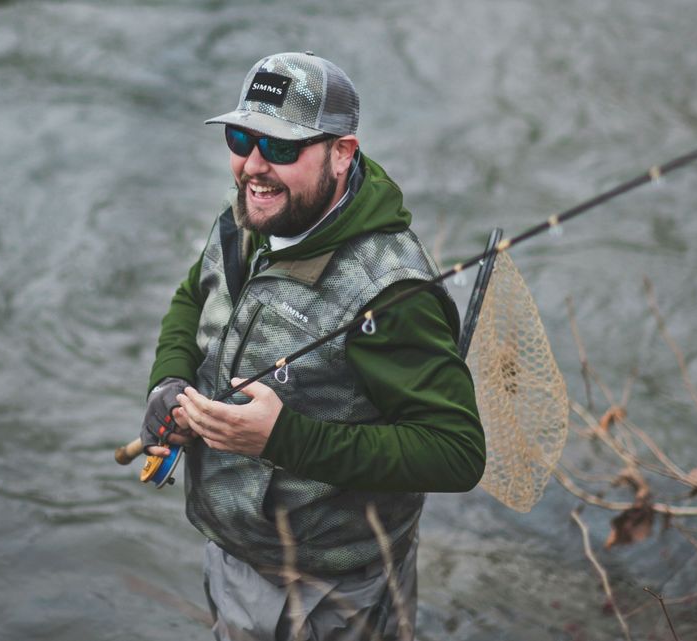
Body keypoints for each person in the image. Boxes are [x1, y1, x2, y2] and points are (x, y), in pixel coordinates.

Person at [138, 51, 485, 641]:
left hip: (331, 589)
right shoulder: (249, 213)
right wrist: (170, 382)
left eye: (280, 147)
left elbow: (455, 453)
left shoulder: (393, 291)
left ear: (342, 153)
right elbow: (194, 297)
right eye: (241, 137)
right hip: (233, 549)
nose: (252, 165)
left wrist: (283, 438)